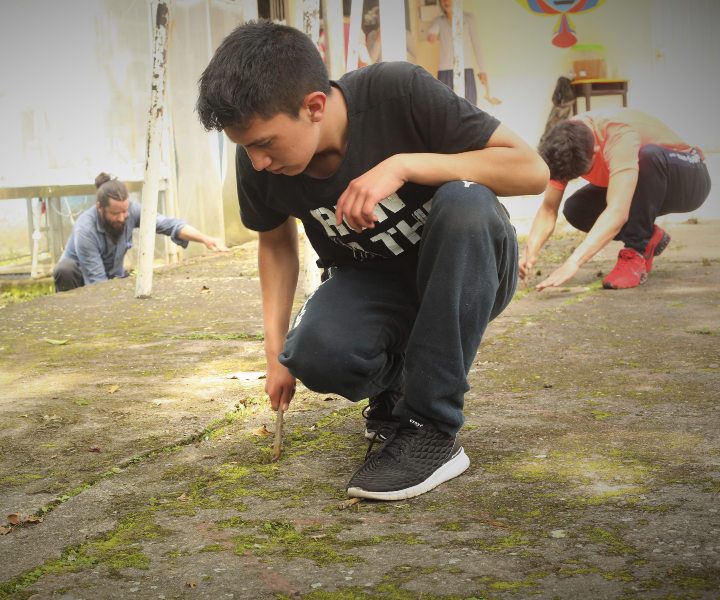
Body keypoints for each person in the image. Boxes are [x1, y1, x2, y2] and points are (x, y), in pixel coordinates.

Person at [196, 21, 547, 500]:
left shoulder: (398, 92)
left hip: (469, 267)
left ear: (313, 107)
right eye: (245, 148)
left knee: (466, 202)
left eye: (265, 143)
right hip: (373, 281)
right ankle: (397, 383)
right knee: (316, 354)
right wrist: (275, 355)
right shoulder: (258, 163)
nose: (257, 161)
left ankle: (431, 429)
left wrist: (403, 165)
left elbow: (531, 170)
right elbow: (275, 246)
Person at [522, 108, 711, 290]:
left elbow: (617, 212)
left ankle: (635, 253)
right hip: (648, 188)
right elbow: (548, 209)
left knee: (648, 156)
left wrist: (574, 262)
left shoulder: (618, 134)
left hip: (689, 181)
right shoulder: (563, 144)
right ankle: (650, 236)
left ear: (595, 151)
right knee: (575, 208)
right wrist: (531, 249)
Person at [53, 173, 229, 292]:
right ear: (100, 207)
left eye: (125, 211)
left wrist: (206, 239)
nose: (122, 218)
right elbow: (97, 281)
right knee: (65, 269)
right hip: (84, 281)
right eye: (115, 213)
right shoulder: (85, 229)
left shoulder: (131, 211)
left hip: (113, 278)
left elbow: (168, 224)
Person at [427, 0, 487, 106]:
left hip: (466, 68)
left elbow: (476, 44)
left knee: (469, 106)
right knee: (445, 107)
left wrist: (483, 69)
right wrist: (431, 34)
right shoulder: (438, 21)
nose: (446, 2)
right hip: (445, 70)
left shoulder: (469, 18)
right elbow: (433, 29)